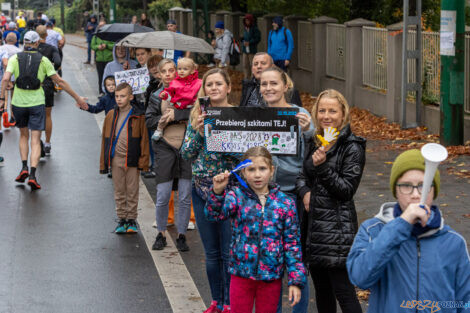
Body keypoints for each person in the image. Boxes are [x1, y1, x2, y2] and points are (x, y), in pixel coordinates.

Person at [347, 149, 470, 313]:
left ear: (434, 190)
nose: (415, 194)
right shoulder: (373, 230)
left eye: (423, 186)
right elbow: (359, 277)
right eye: (406, 186)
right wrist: (401, 225)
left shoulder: (454, 242)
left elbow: (465, 302)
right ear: (395, 190)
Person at [206, 146, 307, 312]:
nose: (257, 174)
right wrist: (217, 192)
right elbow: (214, 216)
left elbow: (292, 244)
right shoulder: (236, 196)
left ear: (272, 170)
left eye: (262, 168)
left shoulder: (285, 203)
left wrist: (295, 281)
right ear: (244, 173)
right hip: (240, 274)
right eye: (251, 169)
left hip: (271, 277)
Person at [296, 89, 364, 313]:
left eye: (332, 111)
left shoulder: (352, 146)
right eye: (322, 110)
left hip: (337, 231)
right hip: (313, 229)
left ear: (343, 113)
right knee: (322, 293)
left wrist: (323, 167)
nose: (326, 115)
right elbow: (302, 175)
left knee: (344, 292)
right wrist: (305, 191)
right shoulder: (316, 140)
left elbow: (346, 190)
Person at [181, 68, 239, 313]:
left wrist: (221, 136)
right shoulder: (196, 116)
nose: (213, 88)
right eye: (209, 85)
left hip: (230, 190)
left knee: (228, 252)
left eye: (218, 84)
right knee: (212, 252)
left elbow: (244, 155)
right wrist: (198, 131)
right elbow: (185, 154)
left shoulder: (237, 115)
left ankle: (229, 303)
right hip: (201, 189)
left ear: (227, 87)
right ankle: (215, 300)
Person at [0, 31, 87, 190]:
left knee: (23, 136)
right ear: (36, 43)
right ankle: (33, 175)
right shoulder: (44, 60)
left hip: (19, 103)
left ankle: (24, 167)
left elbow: (5, 79)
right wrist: (77, 98)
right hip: (37, 103)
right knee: (35, 138)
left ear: (24, 42)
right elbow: (59, 81)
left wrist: (2, 100)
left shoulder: (14, 58)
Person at [257, 66, 313, 313]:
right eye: (264, 84)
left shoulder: (300, 114)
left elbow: (313, 152)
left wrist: (308, 130)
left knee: (296, 260)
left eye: (273, 83)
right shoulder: (255, 116)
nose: (268, 88)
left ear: (285, 86)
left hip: (293, 195)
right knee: (270, 260)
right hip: (265, 196)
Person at [145, 58, 193, 252]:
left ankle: (182, 235)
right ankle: (161, 234)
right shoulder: (156, 96)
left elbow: (196, 113)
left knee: (184, 195)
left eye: (171, 70)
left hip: (187, 146)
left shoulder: (190, 92)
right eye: (163, 71)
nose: (167, 74)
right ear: (159, 74)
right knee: (163, 194)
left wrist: (178, 115)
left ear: (177, 72)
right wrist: (166, 120)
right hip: (164, 146)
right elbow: (149, 120)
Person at [100, 82, 149, 233]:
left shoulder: (138, 116)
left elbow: (144, 140)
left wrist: (144, 161)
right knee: (119, 190)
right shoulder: (110, 115)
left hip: (132, 160)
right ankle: (122, 219)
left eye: (123, 96)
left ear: (131, 97)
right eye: (117, 96)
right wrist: (104, 163)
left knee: (132, 190)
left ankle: (131, 220)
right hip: (116, 160)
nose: (119, 99)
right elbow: (105, 140)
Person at [155, 57, 202, 140]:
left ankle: (192, 137)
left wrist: (179, 114)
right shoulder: (175, 82)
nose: (181, 71)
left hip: (190, 106)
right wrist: (165, 95)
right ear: (159, 74)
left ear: (192, 71)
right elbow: (170, 92)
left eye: (185, 69)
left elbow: (201, 102)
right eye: (179, 69)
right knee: (166, 116)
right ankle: (159, 129)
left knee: (192, 124)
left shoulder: (198, 82)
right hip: (177, 105)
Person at [36, 25, 62, 155]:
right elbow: (57, 62)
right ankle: (47, 143)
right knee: (47, 115)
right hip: (47, 84)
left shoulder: (31, 49)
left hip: (34, 85)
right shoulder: (51, 49)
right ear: (46, 35)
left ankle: (37, 142)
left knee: (36, 115)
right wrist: (52, 69)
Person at [91, 21, 114, 95]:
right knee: (100, 76)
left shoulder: (110, 35)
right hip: (99, 60)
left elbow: (114, 45)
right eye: (100, 25)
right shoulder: (95, 36)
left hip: (109, 60)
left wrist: (106, 46)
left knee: (110, 76)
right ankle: (101, 92)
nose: (101, 27)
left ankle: (110, 91)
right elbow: (92, 46)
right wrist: (98, 47)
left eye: (103, 25)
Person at [241, 14, 261, 79]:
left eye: (248, 20)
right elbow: (244, 37)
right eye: (246, 20)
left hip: (252, 50)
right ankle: (246, 78)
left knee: (252, 65)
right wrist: (243, 40)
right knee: (245, 65)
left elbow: (257, 38)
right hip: (245, 49)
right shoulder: (245, 28)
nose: (247, 22)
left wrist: (249, 42)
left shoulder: (255, 29)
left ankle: (253, 79)